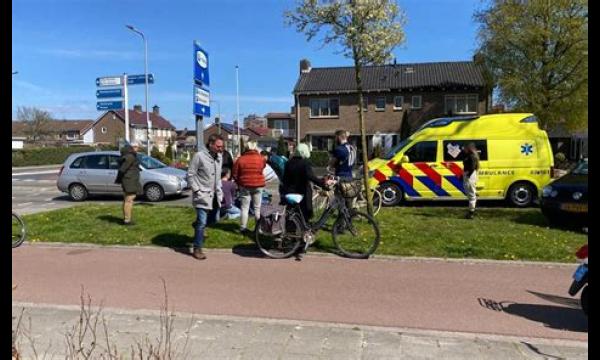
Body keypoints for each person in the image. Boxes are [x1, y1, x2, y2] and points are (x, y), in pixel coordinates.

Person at [187, 134, 225, 260]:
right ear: (211, 144)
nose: (221, 148)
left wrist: (220, 191)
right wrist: (197, 190)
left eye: (222, 146)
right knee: (202, 222)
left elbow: (217, 177)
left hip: (214, 194)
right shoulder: (199, 156)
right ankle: (197, 248)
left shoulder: (219, 157)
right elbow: (190, 175)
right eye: (218, 146)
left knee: (215, 219)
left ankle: (197, 225)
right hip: (202, 195)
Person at [282, 142, 328, 221]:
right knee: (305, 212)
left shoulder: (288, 163)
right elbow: (310, 176)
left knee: (291, 211)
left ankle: (290, 227)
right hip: (302, 191)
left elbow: (285, 178)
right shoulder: (305, 163)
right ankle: (305, 228)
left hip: (290, 191)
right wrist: (322, 182)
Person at [232, 140, 266, 233]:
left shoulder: (240, 159)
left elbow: (235, 174)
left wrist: (239, 182)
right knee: (257, 208)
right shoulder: (261, 158)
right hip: (258, 185)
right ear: (255, 148)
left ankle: (243, 227)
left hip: (244, 185)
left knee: (244, 207)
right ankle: (259, 229)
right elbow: (263, 167)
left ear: (246, 148)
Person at [115, 141, 142, 225]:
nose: (138, 149)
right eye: (137, 147)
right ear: (133, 147)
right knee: (129, 200)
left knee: (127, 199)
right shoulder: (130, 156)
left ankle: (127, 218)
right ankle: (127, 220)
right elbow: (122, 169)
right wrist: (119, 179)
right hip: (129, 180)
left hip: (129, 179)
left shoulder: (128, 155)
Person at [462, 142, 480, 219]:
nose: (463, 149)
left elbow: (472, 167)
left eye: (465, 148)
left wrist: (467, 176)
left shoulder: (472, 156)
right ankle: (471, 210)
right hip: (468, 174)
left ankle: (471, 213)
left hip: (470, 176)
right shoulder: (468, 155)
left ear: (468, 148)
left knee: (472, 195)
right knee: (470, 193)